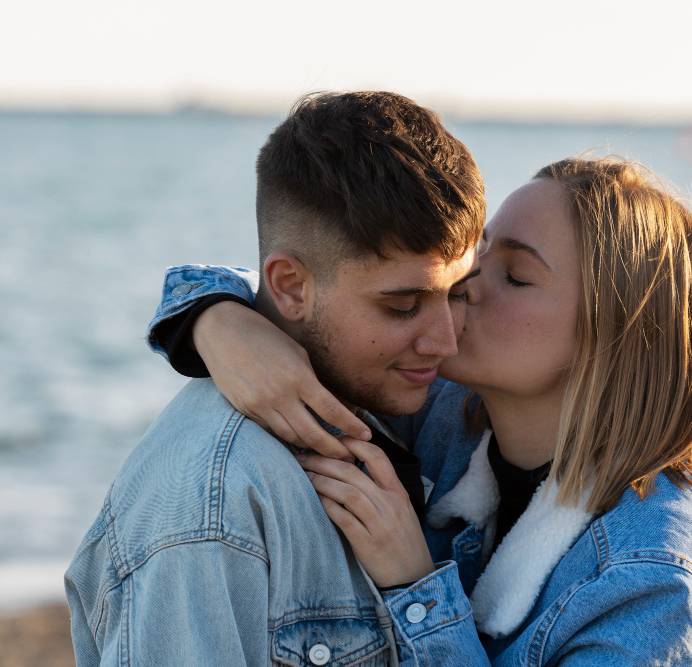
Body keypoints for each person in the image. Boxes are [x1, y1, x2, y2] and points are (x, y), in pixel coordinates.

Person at [149, 156, 692, 665]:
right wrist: (220, 323)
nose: (462, 285)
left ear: (614, 336)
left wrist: (416, 587)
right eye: (478, 255)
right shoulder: (450, 417)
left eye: (516, 276)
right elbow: (323, 287)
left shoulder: (658, 578)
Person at [64, 91, 493, 666]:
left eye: (458, 293)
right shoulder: (212, 511)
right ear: (290, 287)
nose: (445, 340)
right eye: (402, 306)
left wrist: (207, 312)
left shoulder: (403, 401)